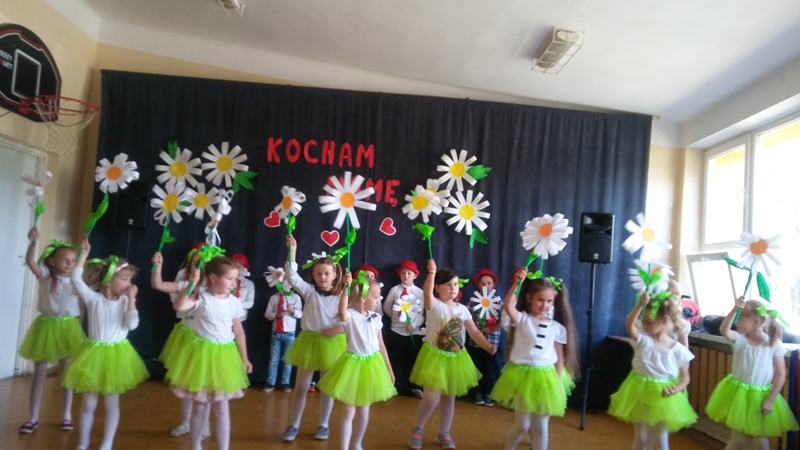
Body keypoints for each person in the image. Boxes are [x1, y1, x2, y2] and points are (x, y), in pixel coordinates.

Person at [64, 240, 149, 450]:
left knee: (111, 403)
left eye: (130, 279)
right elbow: (75, 278)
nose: (129, 283)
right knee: (88, 403)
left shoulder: (125, 302)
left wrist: (131, 300)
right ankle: (83, 443)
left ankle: (106, 444)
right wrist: (83, 255)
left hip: (116, 356)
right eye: (125, 279)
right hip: (93, 354)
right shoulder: (93, 299)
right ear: (109, 281)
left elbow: (132, 324)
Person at [407, 259, 497, 450]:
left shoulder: (463, 310)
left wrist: (487, 346)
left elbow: (474, 332)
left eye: (455, 284)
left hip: (457, 359)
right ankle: (418, 428)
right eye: (448, 285)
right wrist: (431, 273)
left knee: (449, 398)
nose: (453, 288)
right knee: (431, 398)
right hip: (435, 357)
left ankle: (444, 432)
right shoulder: (435, 305)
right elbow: (426, 293)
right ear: (438, 287)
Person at [166, 255, 253, 450]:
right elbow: (178, 306)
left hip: (224, 357)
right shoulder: (201, 295)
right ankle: (195, 446)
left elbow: (238, 331)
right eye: (230, 279)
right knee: (200, 405)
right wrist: (191, 284)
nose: (234, 283)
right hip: (202, 355)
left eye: (235, 279)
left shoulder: (234, 302)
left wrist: (244, 357)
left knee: (222, 407)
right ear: (213, 278)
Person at [491, 271, 580, 450]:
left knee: (541, 426)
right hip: (522, 376)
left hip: (546, 378)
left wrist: (558, 381)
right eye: (540, 300)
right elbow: (508, 305)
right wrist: (517, 283)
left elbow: (560, 357)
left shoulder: (558, 328)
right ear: (529, 298)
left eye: (549, 301)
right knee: (523, 425)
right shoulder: (522, 320)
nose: (544, 305)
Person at [706, 297, 799, 449]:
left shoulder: (773, 344)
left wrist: (770, 400)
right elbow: (724, 330)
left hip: (761, 398)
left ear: (756, 322)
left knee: (760, 441)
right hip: (738, 395)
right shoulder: (739, 339)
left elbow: (780, 375)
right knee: (738, 439)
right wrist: (734, 310)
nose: (736, 322)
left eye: (740, 318)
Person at [607, 292, 697, 450]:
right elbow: (629, 325)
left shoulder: (678, 350)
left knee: (661, 441)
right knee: (641, 439)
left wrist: (676, 389)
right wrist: (640, 304)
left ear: (665, 320)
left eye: (649, 322)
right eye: (643, 321)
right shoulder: (643, 340)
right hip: (640, 392)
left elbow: (685, 378)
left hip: (663, 397)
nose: (644, 325)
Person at [318, 271, 396, 450]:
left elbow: (381, 345)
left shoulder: (376, 318)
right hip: (352, 365)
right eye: (375, 297)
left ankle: (357, 444)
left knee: (364, 410)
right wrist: (345, 288)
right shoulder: (350, 316)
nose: (378, 300)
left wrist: (389, 369)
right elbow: (341, 311)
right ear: (363, 297)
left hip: (372, 365)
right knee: (348, 411)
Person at [280, 235, 347, 442]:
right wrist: (292, 251)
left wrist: (337, 330)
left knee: (326, 387)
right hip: (309, 342)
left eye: (327, 273)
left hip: (331, 343)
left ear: (334, 275)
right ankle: (294, 424)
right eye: (318, 273)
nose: (323, 277)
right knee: (301, 387)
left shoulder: (342, 296)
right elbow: (292, 276)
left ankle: (324, 424)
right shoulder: (309, 292)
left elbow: (351, 321)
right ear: (313, 276)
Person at [18, 228, 84, 434]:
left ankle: (67, 415)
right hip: (45, 326)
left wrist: (85, 254)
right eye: (65, 260)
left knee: (66, 374)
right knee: (39, 373)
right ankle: (33, 417)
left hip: (68, 328)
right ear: (53, 261)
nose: (70, 263)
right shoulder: (45, 275)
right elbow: (30, 262)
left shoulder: (76, 280)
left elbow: (84, 272)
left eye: (73, 260)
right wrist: (33, 243)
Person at [150, 248, 211, 440]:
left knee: (203, 385)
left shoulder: (213, 289)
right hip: (184, 337)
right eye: (194, 262)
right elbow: (158, 284)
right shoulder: (185, 284)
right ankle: (186, 422)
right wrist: (158, 267)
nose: (196, 266)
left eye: (201, 263)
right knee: (184, 384)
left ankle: (205, 425)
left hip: (204, 340)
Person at [383, 260, 425, 398]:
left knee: (414, 359)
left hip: (413, 332)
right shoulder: (395, 290)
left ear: (415, 276)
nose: (406, 276)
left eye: (409, 273)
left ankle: (416, 386)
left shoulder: (419, 292)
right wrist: (397, 317)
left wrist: (414, 325)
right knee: (394, 359)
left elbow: (422, 313)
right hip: (396, 331)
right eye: (403, 273)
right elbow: (387, 307)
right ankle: (392, 385)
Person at [467, 268, 503, 407]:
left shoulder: (498, 301)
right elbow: (466, 316)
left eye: (488, 283)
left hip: (492, 342)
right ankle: (477, 393)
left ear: (493, 285)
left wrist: (493, 328)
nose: (486, 286)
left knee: (490, 368)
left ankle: (488, 393)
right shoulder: (473, 301)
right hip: (475, 342)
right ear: (478, 285)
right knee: (477, 368)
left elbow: (504, 320)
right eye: (483, 283)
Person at [264, 283, 303, 392]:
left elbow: (300, 314)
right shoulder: (274, 298)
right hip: (276, 333)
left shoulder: (295, 297)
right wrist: (277, 315)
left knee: (288, 360)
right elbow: (267, 314)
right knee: (273, 359)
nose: (285, 284)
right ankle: (270, 382)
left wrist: (293, 310)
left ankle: (285, 382)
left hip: (290, 333)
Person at [230, 253, 255, 320]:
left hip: (241, 318)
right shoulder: (226, 281)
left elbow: (250, 303)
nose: (238, 268)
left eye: (240, 266)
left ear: (244, 267)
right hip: (225, 317)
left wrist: (236, 304)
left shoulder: (249, 284)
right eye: (235, 266)